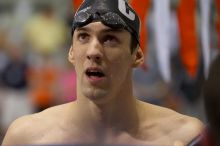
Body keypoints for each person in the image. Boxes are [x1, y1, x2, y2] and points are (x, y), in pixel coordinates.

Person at [2, 0, 204, 145]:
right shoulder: (26, 138)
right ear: (71, 52)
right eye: (83, 37)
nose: (93, 51)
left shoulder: (185, 136)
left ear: (138, 55)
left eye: (110, 39)